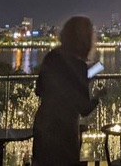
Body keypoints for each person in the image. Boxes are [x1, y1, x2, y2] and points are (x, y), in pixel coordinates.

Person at [32, 16, 105, 166]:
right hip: (65, 130)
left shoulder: (51, 57)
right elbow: (84, 108)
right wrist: (98, 95)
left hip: (43, 124)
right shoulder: (79, 66)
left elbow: (39, 90)